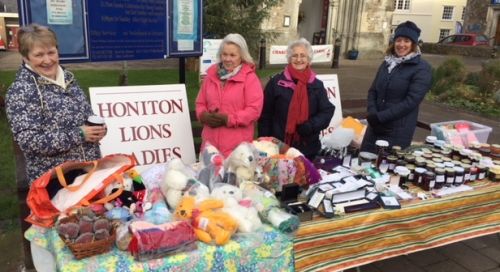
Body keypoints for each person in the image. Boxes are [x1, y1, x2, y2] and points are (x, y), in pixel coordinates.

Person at [5, 24, 106, 184]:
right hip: (53, 179)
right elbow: (29, 141)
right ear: (26, 57)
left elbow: (87, 114)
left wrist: (98, 129)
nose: (47, 60)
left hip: (88, 170)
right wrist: (79, 134)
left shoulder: (68, 79)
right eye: (39, 55)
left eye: (51, 52)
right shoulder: (20, 91)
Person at [360, 21, 432, 153]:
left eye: (406, 41)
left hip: (397, 129)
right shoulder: (387, 63)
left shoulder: (422, 68)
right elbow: (373, 91)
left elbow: (411, 101)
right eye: (398, 40)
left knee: (387, 166)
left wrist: (380, 117)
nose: (401, 45)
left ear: (414, 44)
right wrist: (372, 114)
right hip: (375, 125)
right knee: (365, 161)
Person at [258, 38, 335, 160]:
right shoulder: (276, 83)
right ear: (289, 58)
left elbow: (327, 110)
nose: (299, 59)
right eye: (294, 56)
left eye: (303, 56)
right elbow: (265, 115)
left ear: (308, 59)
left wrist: (311, 125)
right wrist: (264, 144)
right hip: (279, 147)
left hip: (308, 148)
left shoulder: (316, 84)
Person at [195, 33, 263, 157]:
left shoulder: (250, 79)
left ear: (241, 56)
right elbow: (200, 103)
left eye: (232, 55)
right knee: (208, 176)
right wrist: (203, 115)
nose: (227, 59)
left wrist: (229, 119)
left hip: (237, 150)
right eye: (224, 54)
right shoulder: (211, 75)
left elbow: (254, 110)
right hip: (210, 148)